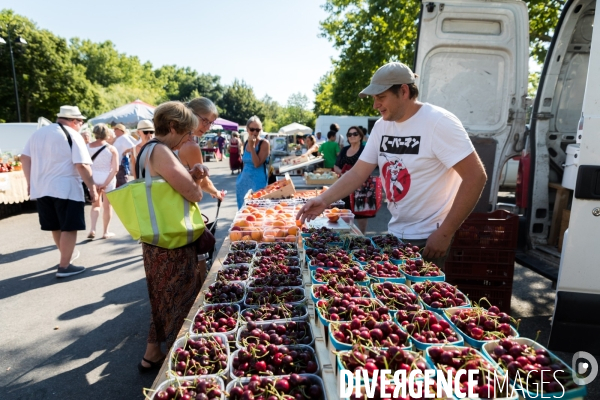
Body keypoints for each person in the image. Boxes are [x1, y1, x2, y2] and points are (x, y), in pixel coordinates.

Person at [297, 62, 487, 268]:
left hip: (429, 238)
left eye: (381, 97)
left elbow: (475, 176)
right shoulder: (381, 126)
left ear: (403, 91)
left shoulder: (439, 122)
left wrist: (445, 232)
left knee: (422, 297)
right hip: (394, 235)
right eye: (374, 99)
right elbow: (359, 172)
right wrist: (324, 200)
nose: (375, 105)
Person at [135, 101, 208, 373]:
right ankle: (185, 368)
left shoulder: (144, 150)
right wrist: (198, 177)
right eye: (187, 133)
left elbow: (161, 187)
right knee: (181, 300)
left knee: (160, 296)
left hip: (154, 238)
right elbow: (193, 194)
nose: (188, 139)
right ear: (173, 126)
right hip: (172, 240)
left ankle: (152, 354)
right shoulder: (162, 151)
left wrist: (191, 177)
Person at [21, 105, 98, 278]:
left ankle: (65, 259)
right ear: (74, 121)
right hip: (65, 187)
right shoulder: (72, 134)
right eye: (80, 121)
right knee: (69, 227)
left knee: (55, 226)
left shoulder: (38, 133)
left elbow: (24, 157)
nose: (81, 124)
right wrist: (92, 187)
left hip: (41, 187)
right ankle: (64, 266)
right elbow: (82, 164)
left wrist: (30, 181)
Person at [179, 97, 224, 200]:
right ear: (190, 114)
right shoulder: (190, 146)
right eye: (205, 121)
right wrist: (216, 192)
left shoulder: (170, 137)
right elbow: (203, 182)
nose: (208, 127)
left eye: (211, 123)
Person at [333, 126, 373, 233]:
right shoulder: (344, 149)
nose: (352, 136)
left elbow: (370, 166)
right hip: (345, 186)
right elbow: (336, 166)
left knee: (361, 215)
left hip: (361, 187)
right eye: (349, 134)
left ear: (360, 136)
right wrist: (342, 173)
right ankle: (347, 236)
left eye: (355, 134)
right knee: (345, 213)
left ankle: (361, 236)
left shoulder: (365, 150)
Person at [87, 124, 119, 239]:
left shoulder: (87, 147)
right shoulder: (111, 148)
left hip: (93, 177)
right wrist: (105, 183)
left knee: (95, 205)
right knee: (107, 206)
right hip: (108, 178)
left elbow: (85, 165)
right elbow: (115, 169)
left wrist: (92, 182)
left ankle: (92, 229)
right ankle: (105, 232)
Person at [236, 116, 270, 208]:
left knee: (257, 209)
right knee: (243, 212)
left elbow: (256, 164)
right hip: (243, 183)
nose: (255, 132)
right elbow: (245, 162)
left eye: (257, 130)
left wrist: (252, 147)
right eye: (252, 129)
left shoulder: (264, 143)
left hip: (257, 182)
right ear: (247, 129)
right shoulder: (247, 142)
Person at [113, 123, 137, 187]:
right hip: (118, 163)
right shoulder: (120, 138)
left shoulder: (123, 138)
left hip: (121, 163)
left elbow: (133, 147)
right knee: (120, 181)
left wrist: (126, 151)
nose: (114, 131)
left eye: (115, 130)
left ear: (119, 130)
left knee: (122, 182)